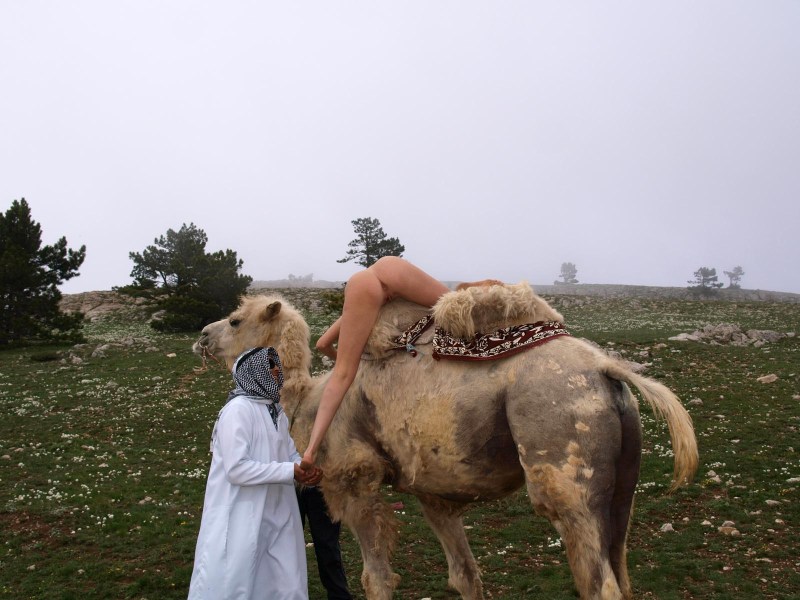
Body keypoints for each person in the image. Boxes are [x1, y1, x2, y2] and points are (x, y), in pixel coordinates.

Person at [302, 256, 500, 470]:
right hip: (389, 266)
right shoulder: (368, 290)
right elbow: (323, 345)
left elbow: (323, 345)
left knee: (459, 310)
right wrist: (350, 366)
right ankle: (480, 289)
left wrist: (346, 362)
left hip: (372, 282)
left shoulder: (361, 293)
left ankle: (310, 450)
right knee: (456, 305)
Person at [189, 346, 322, 600]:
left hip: (278, 510)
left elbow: (289, 454)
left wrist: (303, 471)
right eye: (269, 365)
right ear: (253, 371)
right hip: (242, 512)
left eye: (276, 364)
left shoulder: (276, 412)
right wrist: (290, 470)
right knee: (237, 582)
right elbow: (236, 469)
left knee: (287, 581)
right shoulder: (237, 410)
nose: (277, 370)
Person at [297, 486, 352, 599]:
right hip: (287, 487)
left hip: (323, 484)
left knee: (328, 548)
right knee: (288, 548)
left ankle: (339, 596)